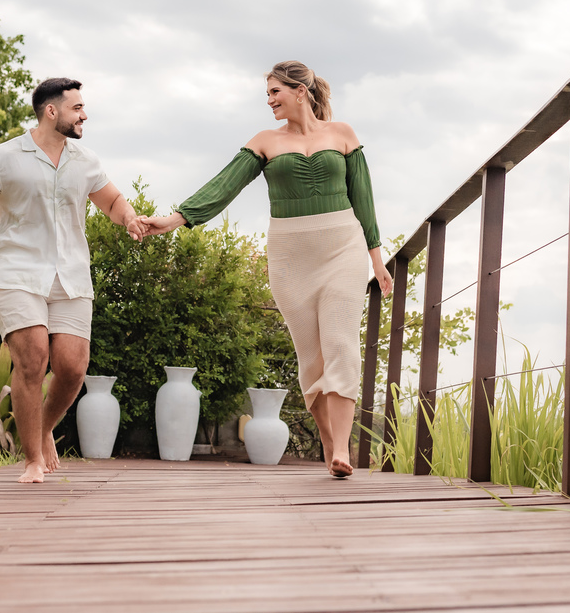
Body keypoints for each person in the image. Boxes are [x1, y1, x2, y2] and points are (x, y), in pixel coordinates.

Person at [141, 60, 393, 478]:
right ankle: (328, 441)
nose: (270, 100)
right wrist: (173, 220)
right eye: (268, 94)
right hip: (291, 256)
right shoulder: (264, 141)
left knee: (340, 344)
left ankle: (342, 447)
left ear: (300, 91)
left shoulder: (343, 134)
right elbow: (224, 186)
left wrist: (376, 260)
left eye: (275, 92)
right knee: (311, 358)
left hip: (342, 249)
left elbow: (363, 198)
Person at [0, 77, 146, 484]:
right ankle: (32, 461)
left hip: (71, 276)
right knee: (34, 358)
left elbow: (111, 200)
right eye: (77, 108)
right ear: (51, 111)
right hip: (16, 273)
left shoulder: (85, 160)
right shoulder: (2, 158)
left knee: (73, 368)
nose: (84, 115)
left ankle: (43, 428)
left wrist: (129, 218)